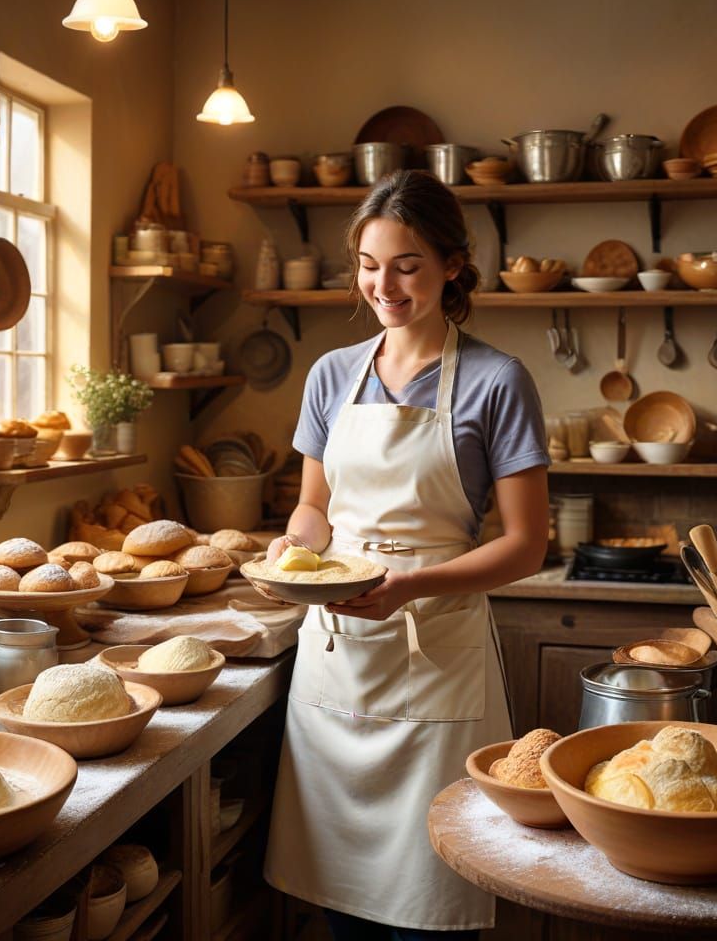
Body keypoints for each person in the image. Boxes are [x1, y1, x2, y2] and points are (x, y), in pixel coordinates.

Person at [262, 170, 551, 939]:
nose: (381, 285)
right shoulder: (331, 375)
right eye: (367, 263)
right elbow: (316, 509)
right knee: (339, 903)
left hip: (437, 652)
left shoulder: (498, 381)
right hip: (338, 652)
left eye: (406, 264)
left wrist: (411, 585)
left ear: (453, 264)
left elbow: (527, 545)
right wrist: (291, 555)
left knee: (434, 897)